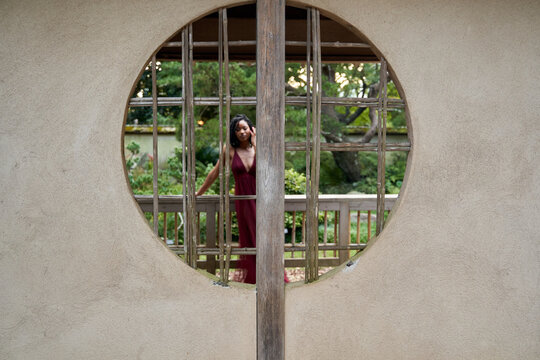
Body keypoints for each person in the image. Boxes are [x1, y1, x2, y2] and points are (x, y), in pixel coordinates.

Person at [196, 114, 288, 284]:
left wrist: (256, 142)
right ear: (233, 132)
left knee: (266, 238)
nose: (241, 132)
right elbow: (215, 173)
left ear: (251, 129)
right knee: (251, 240)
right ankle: (255, 279)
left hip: (263, 200)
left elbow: (270, 167)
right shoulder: (229, 150)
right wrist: (198, 194)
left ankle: (274, 277)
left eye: (244, 128)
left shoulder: (258, 148)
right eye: (237, 129)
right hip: (244, 201)